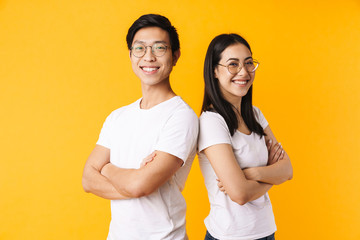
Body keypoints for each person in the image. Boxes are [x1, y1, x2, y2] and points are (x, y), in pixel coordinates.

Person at [82, 14, 199, 240]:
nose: (149, 57)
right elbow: (87, 180)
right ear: (130, 55)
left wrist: (105, 168)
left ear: (175, 56)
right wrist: (137, 182)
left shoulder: (181, 116)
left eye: (159, 48)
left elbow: (139, 186)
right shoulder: (117, 117)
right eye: (140, 48)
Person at [198, 33, 293, 240]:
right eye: (233, 64)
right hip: (230, 235)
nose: (244, 72)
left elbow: (288, 169)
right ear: (214, 70)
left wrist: (251, 173)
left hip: (266, 231)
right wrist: (273, 177)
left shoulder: (255, 114)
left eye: (249, 63)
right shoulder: (211, 122)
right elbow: (239, 194)